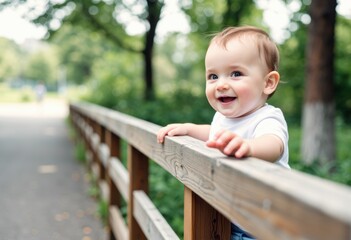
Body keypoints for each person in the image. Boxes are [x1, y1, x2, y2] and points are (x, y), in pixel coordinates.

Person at [157, 26, 290, 240]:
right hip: (230, 221)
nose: (221, 85)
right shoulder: (223, 118)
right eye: (213, 76)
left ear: (268, 82)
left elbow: (274, 145)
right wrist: (189, 129)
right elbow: (215, 134)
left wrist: (248, 146)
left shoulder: (267, 118)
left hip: (266, 228)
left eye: (236, 73)